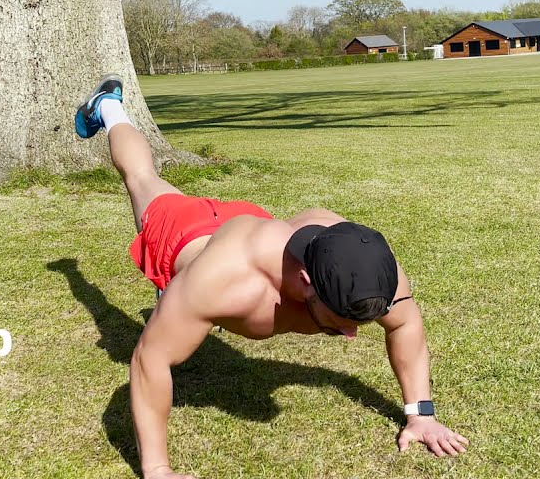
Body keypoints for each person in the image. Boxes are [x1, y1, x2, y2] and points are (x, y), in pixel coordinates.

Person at [74, 75, 468, 479]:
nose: (351, 337)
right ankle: (108, 106)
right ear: (305, 281)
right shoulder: (226, 281)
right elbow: (149, 359)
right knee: (143, 178)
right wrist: (157, 469)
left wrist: (420, 414)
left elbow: (405, 322)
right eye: (341, 323)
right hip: (185, 235)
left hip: (254, 224)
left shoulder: (373, 268)